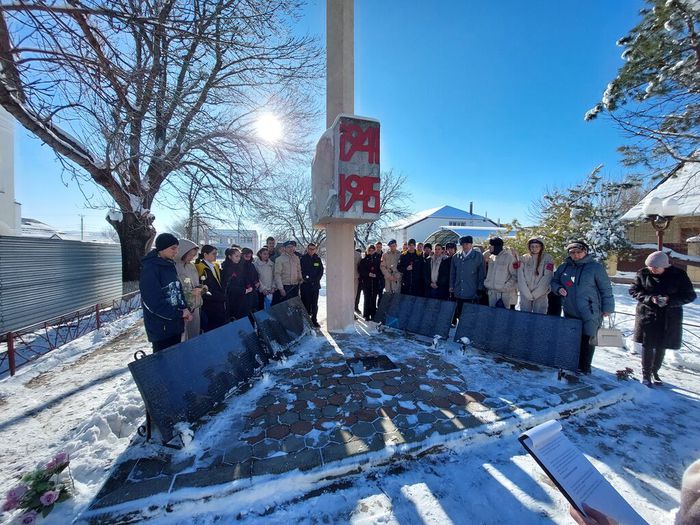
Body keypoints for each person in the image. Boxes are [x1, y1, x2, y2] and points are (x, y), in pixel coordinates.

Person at [629, 251, 696, 387]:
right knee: (647, 344)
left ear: (665, 265)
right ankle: (646, 374)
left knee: (662, 345)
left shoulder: (678, 275)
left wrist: (669, 300)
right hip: (647, 313)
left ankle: (655, 371)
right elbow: (634, 291)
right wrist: (650, 298)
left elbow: (689, 295)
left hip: (669, 316)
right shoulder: (643, 273)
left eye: (656, 267)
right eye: (650, 267)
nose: (652, 269)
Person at [551, 240, 614, 375]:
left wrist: (608, 307)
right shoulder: (564, 267)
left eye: (579, 252)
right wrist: (558, 288)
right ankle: (572, 363)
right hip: (570, 309)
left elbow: (606, 288)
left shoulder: (595, 267)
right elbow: (554, 281)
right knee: (572, 338)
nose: (576, 255)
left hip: (590, 310)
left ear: (585, 252)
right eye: (572, 252)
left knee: (588, 338)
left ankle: (585, 366)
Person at [140, 233, 192, 352]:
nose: (176, 252)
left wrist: (185, 309)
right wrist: (179, 314)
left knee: (176, 361)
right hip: (161, 328)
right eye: (173, 248)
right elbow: (153, 303)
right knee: (164, 366)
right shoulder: (150, 268)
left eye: (177, 248)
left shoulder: (169, 265)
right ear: (162, 248)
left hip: (175, 325)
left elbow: (177, 290)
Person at [450, 235, 486, 324]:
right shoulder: (456, 257)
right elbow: (452, 273)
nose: (465, 246)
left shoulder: (478, 256)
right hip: (459, 289)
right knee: (459, 313)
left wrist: (480, 288)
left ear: (471, 244)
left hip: (472, 290)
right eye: (463, 244)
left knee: (469, 314)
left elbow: (482, 274)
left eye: (467, 244)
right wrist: (451, 286)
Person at [174, 238, 203, 340]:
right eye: (190, 255)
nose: (192, 257)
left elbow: (197, 283)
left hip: (195, 305)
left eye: (194, 255)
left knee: (194, 334)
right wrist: (189, 293)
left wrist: (201, 289)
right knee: (183, 336)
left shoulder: (191, 266)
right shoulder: (173, 267)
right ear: (182, 252)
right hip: (183, 308)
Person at [518, 237, 554, 314]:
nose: (534, 248)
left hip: (541, 294)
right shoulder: (524, 258)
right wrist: (526, 293)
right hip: (525, 293)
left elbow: (547, 277)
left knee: (539, 317)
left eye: (537, 246)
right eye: (532, 246)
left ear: (541, 247)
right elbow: (520, 276)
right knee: (524, 316)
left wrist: (536, 293)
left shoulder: (547, 258)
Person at [195, 245, 226, 332]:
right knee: (212, 329)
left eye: (216, 254)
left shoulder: (214, 265)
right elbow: (204, 288)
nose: (216, 256)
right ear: (205, 254)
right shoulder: (200, 267)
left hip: (219, 302)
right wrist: (220, 296)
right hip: (210, 304)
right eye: (213, 254)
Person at [223, 247, 259, 322]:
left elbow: (245, 277)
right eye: (236, 256)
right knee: (238, 320)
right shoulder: (227, 268)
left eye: (239, 256)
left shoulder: (240, 266)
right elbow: (228, 287)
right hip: (234, 299)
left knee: (246, 318)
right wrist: (244, 290)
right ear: (229, 257)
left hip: (244, 298)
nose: (238, 258)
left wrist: (249, 286)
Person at [300, 243, 324, 327]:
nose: (312, 250)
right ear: (307, 249)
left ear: (316, 249)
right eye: (310, 249)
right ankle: (306, 321)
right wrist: (306, 279)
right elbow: (300, 271)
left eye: (313, 249)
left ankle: (314, 320)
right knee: (306, 303)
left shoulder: (317, 259)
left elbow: (320, 271)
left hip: (315, 285)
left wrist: (315, 280)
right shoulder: (302, 259)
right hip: (305, 285)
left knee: (314, 304)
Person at [273, 240, 303, 304]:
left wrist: (300, 278)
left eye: (292, 247)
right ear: (285, 248)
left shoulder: (296, 258)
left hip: (295, 286)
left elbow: (298, 270)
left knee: (294, 306)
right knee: (285, 307)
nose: (291, 249)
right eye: (288, 247)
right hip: (285, 287)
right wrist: (281, 289)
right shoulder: (279, 259)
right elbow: (277, 275)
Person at [358, 244, 382, 320]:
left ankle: (373, 314)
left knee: (374, 298)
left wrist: (376, 275)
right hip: (366, 282)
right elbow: (360, 270)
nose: (371, 252)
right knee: (367, 298)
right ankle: (366, 314)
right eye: (369, 250)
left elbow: (381, 271)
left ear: (375, 250)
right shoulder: (363, 260)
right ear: (367, 251)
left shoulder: (378, 259)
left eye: (372, 250)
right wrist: (368, 274)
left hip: (375, 282)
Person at [374, 241, 385, 307]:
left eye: (380, 247)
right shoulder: (373, 255)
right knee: (374, 295)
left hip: (381, 277)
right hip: (374, 277)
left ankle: (379, 307)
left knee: (381, 294)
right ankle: (373, 309)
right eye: (377, 247)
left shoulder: (384, 255)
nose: (378, 248)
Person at [354, 247, 363, 313]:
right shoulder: (344, 253)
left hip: (356, 277)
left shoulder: (358, 254)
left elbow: (361, 265)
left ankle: (355, 308)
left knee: (356, 294)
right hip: (349, 277)